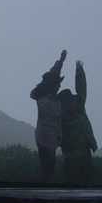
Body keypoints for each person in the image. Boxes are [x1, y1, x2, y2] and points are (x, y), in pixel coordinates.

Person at [56, 58, 96, 184]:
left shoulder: (78, 108)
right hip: (72, 154)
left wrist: (79, 71)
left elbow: (81, 88)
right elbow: (81, 89)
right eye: (70, 99)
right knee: (74, 181)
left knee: (85, 180)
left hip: (83, 152)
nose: (73, 100)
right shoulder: (62, 116)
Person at [30, 51, 67, 179]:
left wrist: (60, 62)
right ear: (52, 86)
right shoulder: (43, 99)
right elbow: (51, 77)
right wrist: (60, 62)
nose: (59, 86)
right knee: (47, 166)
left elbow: (53, 74)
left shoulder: (55, 100)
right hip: (45, 138)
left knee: (49, 166)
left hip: (51, 138)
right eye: (57, 84)